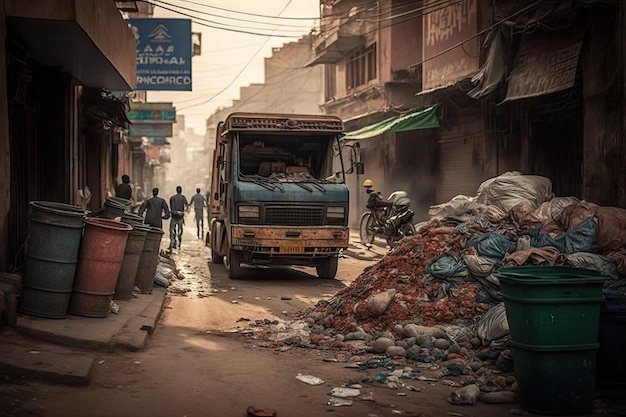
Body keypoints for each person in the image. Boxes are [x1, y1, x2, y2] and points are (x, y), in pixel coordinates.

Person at [169, 185, 190, 250]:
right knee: (180, 230)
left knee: (172, 229)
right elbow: (187, 206)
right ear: (181, 191)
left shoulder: (172, 198)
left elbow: (171, 207)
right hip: (180, 217)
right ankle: (179, 242)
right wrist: (183, 211)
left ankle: (173, 242)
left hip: (174, 216)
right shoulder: (183, 197)